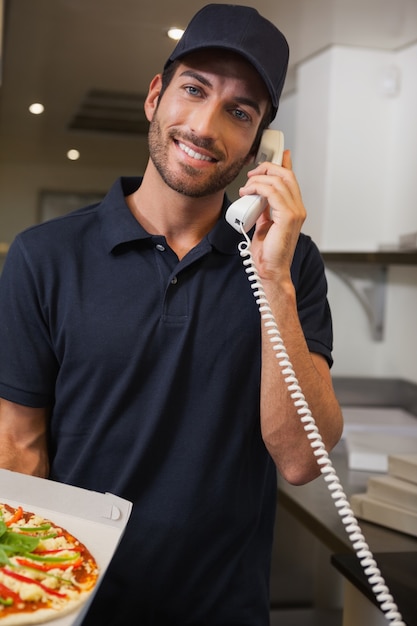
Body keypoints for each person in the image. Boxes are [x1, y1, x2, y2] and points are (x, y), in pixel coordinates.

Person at [0, 4, 343, 624]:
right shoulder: (43, 257)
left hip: (225, 612)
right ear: (156, 96)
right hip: (78, 609)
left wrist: (273, 275)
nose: (207, 125)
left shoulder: (289, 265)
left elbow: (300, 460)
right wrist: (32, 603)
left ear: (264, 144)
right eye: (194, 89)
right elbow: (19, 451)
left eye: (240, 112)